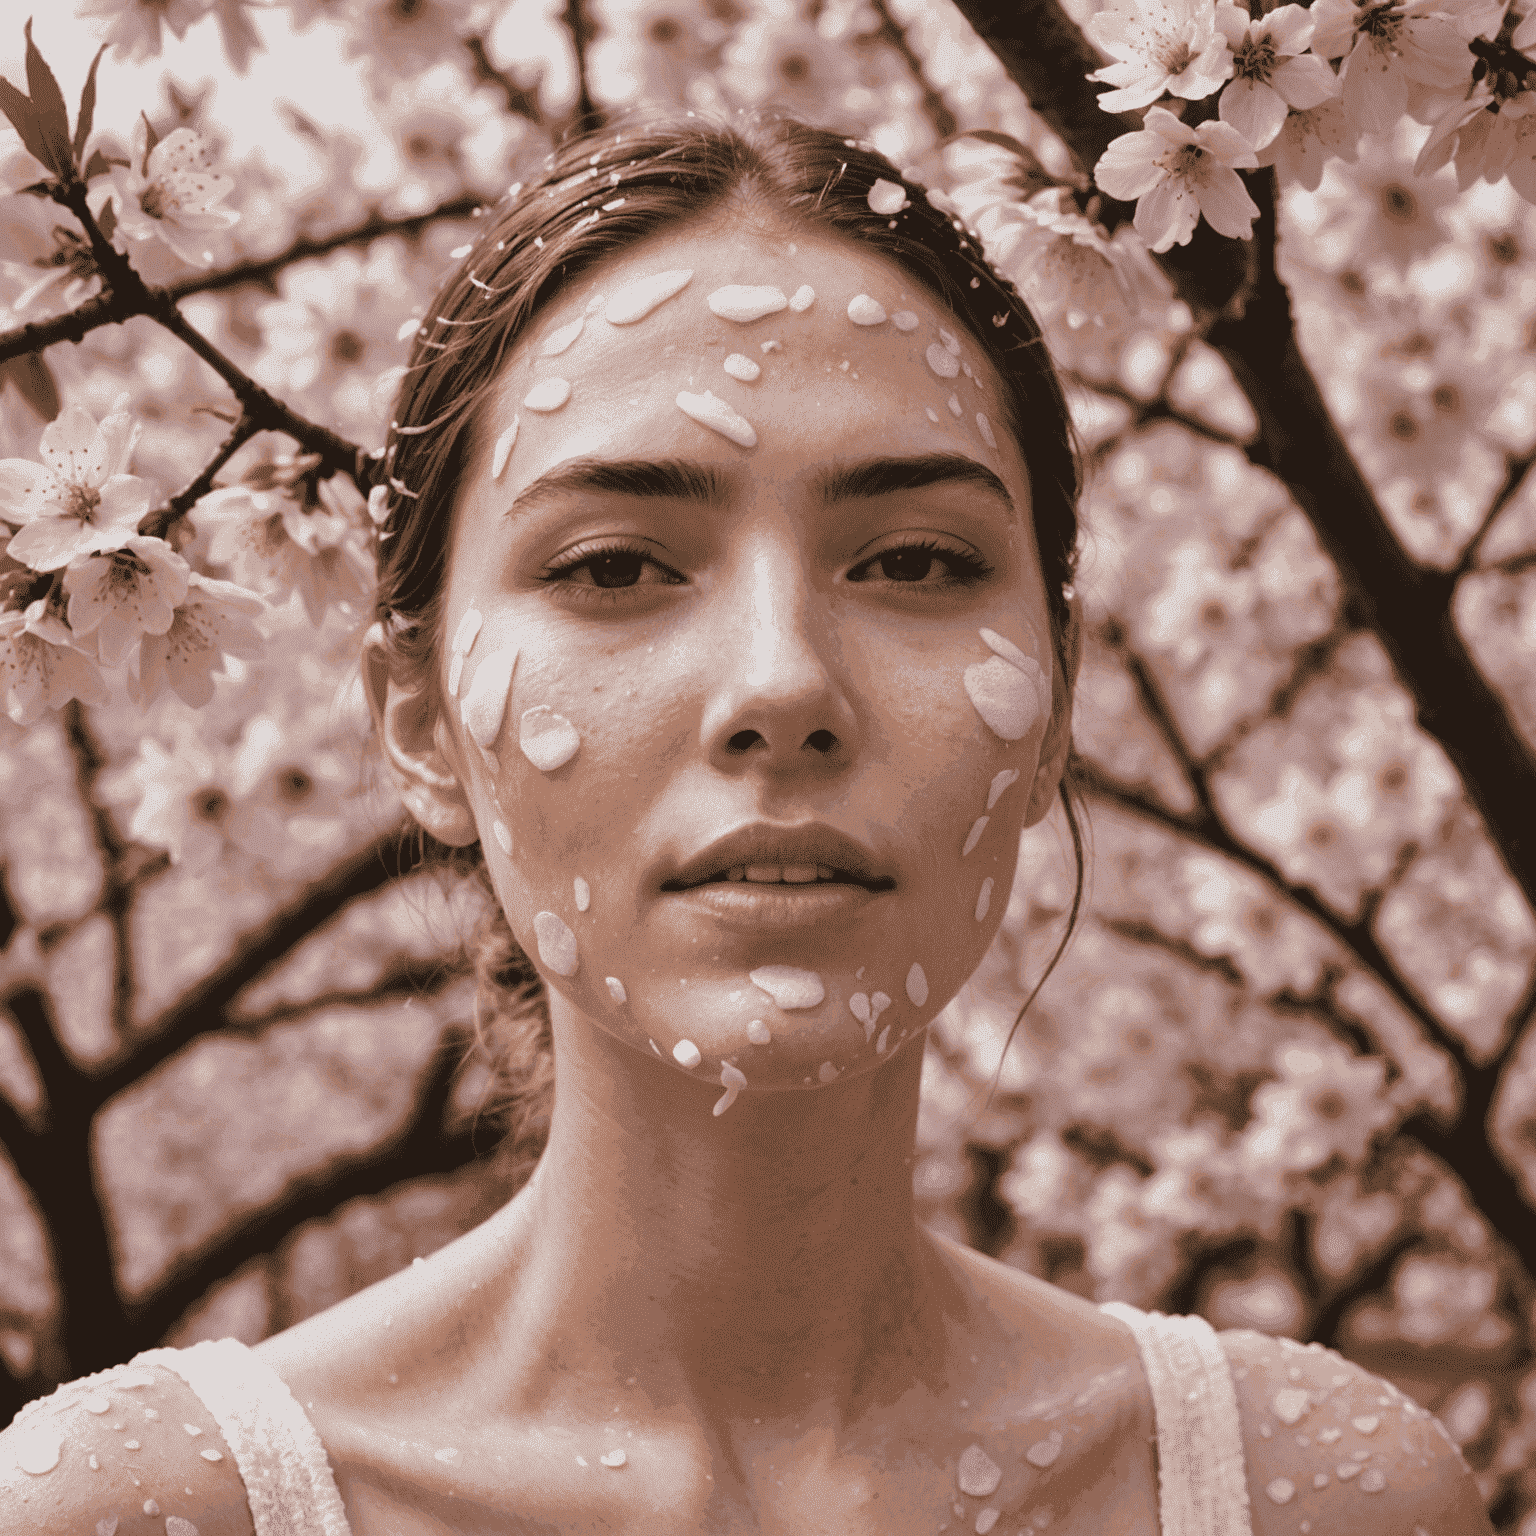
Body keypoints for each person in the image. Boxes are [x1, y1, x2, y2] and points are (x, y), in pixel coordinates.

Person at [0, 114, 1490, 1536]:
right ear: (417, 718)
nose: (783, 684)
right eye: (615, 568)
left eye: (914, 560)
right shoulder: (146, 1508)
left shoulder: (1328, 1497)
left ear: (1057, 695)